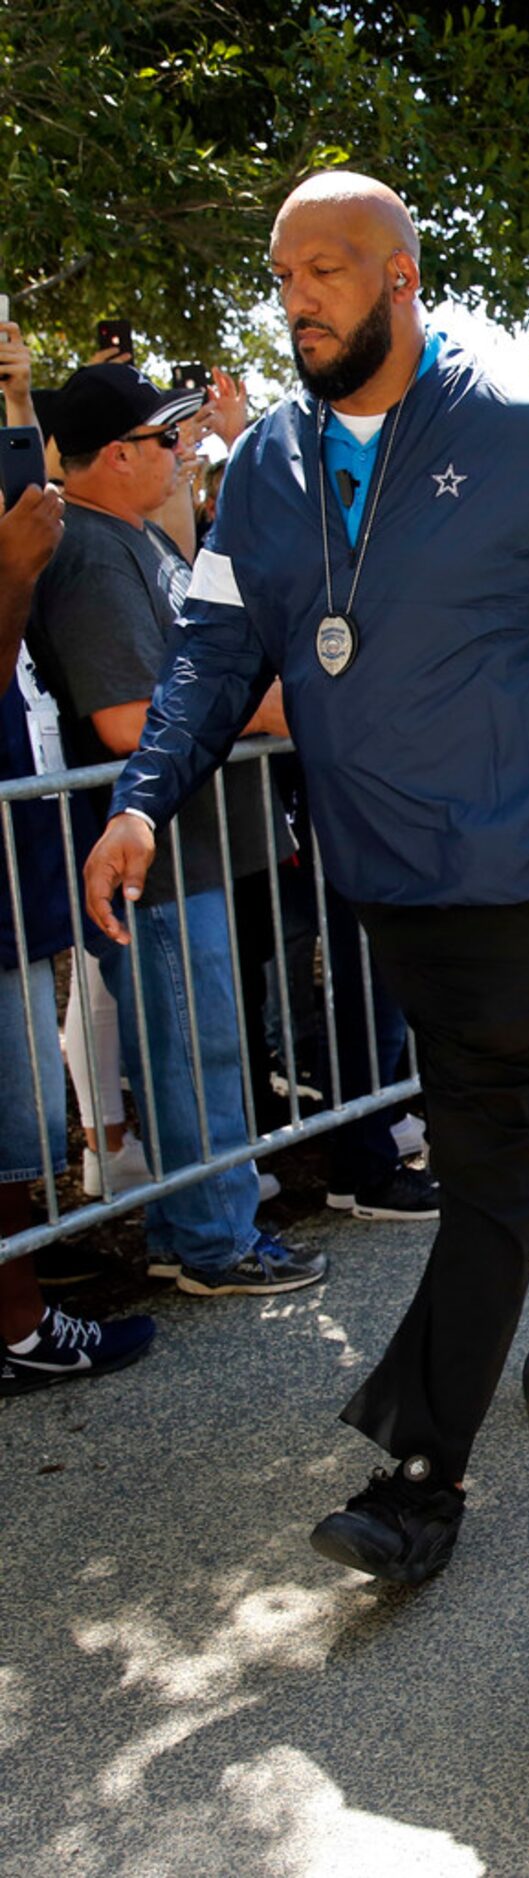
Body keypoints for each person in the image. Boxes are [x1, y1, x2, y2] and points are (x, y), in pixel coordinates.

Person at [80, 172, 529, 1585]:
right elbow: (212, 661)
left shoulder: (525, 434)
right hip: (390, 880)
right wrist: (137, 799)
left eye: (328, 271)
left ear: (401, 279)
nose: (297, 298)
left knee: (483, 1150)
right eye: (284, 274)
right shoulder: (273, 470)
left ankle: (419, 1477)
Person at [25, 360, 320, 1298]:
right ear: (114, 455)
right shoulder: (91, 551)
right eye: (165, 439)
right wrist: (262, 711)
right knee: (196, 1045)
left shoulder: (128, 535)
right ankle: (214, 1240)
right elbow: (121, 719)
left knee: (195, 1042)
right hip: (154, 859)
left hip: (180, 850)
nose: (180, 449)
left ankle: (192, 1225)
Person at [1, 473, 158, 1395]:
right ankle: (19, 1328)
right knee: (12, 1131)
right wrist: (14, 575)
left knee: (20, 1123)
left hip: (20, 879)